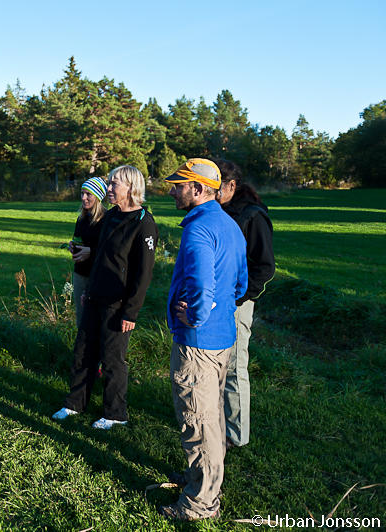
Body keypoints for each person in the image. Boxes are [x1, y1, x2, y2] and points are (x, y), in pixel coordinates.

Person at [159, 158, 247, 521]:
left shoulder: (198, 230)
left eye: (180, 184)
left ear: (198, 189)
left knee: (199, 420)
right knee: (212, 417)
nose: (173, 190)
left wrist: (194, 316)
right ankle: (201, 479)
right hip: (222, 337)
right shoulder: (229, 225)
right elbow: (240, 284)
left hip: (199, 342)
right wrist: (217, 311)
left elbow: (201, 284)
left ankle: (201, 502)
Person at [52, 165, 158, 429]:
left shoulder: (143, 222)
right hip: (96, 296)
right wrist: (89, 290)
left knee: (112, 359)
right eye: (109, 184)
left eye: (114, 185)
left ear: (131, 188)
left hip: (118, 303)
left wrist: (130, 312)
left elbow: (142, 274)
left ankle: (115, 414)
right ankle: (74, 403)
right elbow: (101, 258)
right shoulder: (110, 216)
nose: (108, 189)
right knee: (83, 351)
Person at [216, 159, 275, 448]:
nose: (212, 192)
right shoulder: (219, 211)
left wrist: (240, 297)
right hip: (216, 302)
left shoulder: (252, 216)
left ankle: (236, 433)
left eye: (218, 186)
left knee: (234, 367)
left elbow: (265, 267)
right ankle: (218, 421)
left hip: (237, 303)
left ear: (232, 185)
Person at [69, 177, 107, 328]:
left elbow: (111, 250)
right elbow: (78, 239)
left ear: (98, 196)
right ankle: (81, 350)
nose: (83, 198)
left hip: (97, 275)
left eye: (88, 194)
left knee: (96, 317)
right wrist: (73, 245)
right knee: (81, 316)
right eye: (82, 193)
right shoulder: (82, 218)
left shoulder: (106, 220)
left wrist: (91, 251)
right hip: (80, 273)